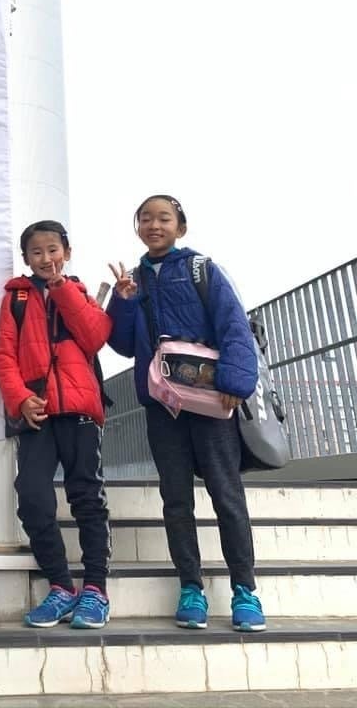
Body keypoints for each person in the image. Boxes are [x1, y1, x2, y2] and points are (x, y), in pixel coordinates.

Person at [106, 194, 266, 632]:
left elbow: (233, 324)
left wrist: (235, 382)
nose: (154, 225)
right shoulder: (136, 279)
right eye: (145, 218)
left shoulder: (200, 269)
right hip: (164, 404)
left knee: (226, 494)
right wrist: (122, 302)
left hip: (212, 400)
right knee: (176, 500)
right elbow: (123, 344)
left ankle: (245, 590)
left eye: (164, 218)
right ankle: (191, 588)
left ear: (181, 227)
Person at [0, 219, 112, 629]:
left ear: (67, 252)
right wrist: (20, 399)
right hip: (37, 413)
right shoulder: (16, 298)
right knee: (32, 497)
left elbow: (95, 337)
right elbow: (4, 356)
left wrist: (62, 290)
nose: (46, 258)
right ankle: (61, 586)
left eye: (53, 250)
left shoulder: (80, 292)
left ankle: (95, 590)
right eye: (37, 252)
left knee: (87, 498)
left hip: (80, 411)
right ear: (26, 258)